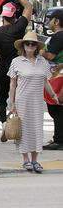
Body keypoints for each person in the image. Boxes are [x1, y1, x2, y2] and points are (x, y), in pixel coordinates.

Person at [9, 30, 60, 173]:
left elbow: (46, 81)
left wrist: (53, 94)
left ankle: (35, 160)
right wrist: (11, 103)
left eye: (33, 44)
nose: (30, 46)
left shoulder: (42, 61)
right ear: (23, 46)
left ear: (37, 47)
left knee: (37, 129)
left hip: (37, 101)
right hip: (22, 101)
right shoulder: (16, 62)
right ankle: (26, 160)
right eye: (27, 44)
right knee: (23, 130)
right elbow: (12, 84)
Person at [0, 0, 33, 122]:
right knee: (20, 98)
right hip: (19, 70)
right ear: (14, 16)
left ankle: (4, 123)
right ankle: (18, 123)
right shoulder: (18, 28)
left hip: (3, 69)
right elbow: (28, 7)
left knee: (0, 99)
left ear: (3, 16)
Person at [43, 8, 63, 150]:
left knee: (56, 108)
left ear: (56, 22)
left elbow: (50, 56)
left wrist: (39, 50)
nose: (48, 22)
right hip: (57, 75)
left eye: (51, 19)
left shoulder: (58, 36)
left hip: (58, 77)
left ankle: (59, 140)